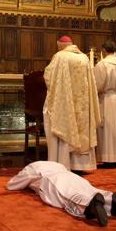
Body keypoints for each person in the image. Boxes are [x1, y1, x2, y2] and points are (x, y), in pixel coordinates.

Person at [7, 161, 116, 227]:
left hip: (51, 180)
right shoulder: (56, 164)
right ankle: (113, 199)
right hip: (71, 176)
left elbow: (12, 185)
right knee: (90, 190)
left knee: (67, 198)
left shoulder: (31, 168)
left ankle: (90, 206)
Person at [43, 36, 101, 172]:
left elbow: (49, 77)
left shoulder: (60, 57)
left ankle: (64, 163)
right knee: (82, 128)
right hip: (83, 104)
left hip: (65, 101)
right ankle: (81, 165)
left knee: (60, 121)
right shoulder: (84, 58)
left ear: (60, 46)